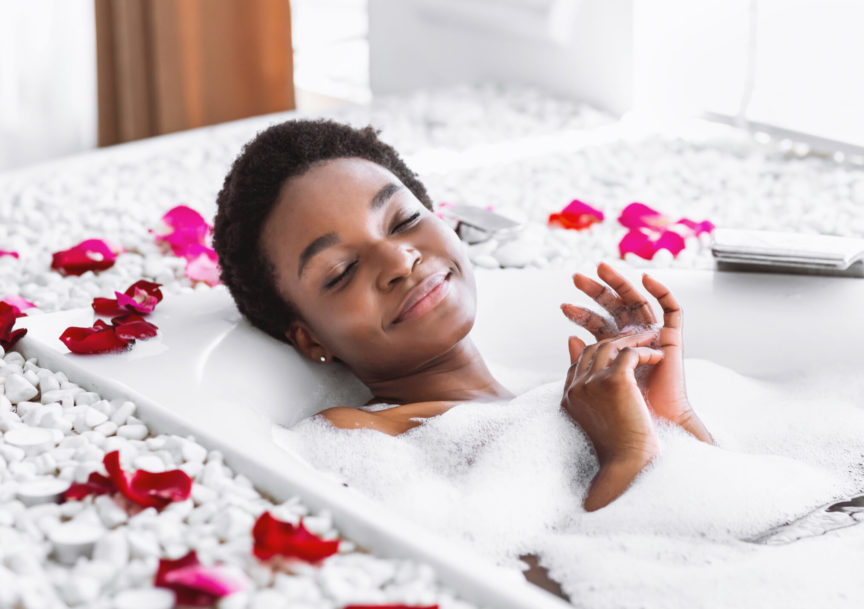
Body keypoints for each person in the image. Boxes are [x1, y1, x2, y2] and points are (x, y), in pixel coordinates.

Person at [212, 119, 714, 514]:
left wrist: (668, 415)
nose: (399, 260)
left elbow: (722, 528)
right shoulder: (359, 438)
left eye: (405, 221)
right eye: (342, 270)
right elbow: (539, 578)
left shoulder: (558, 395)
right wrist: (626, 452)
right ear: (308, 338)